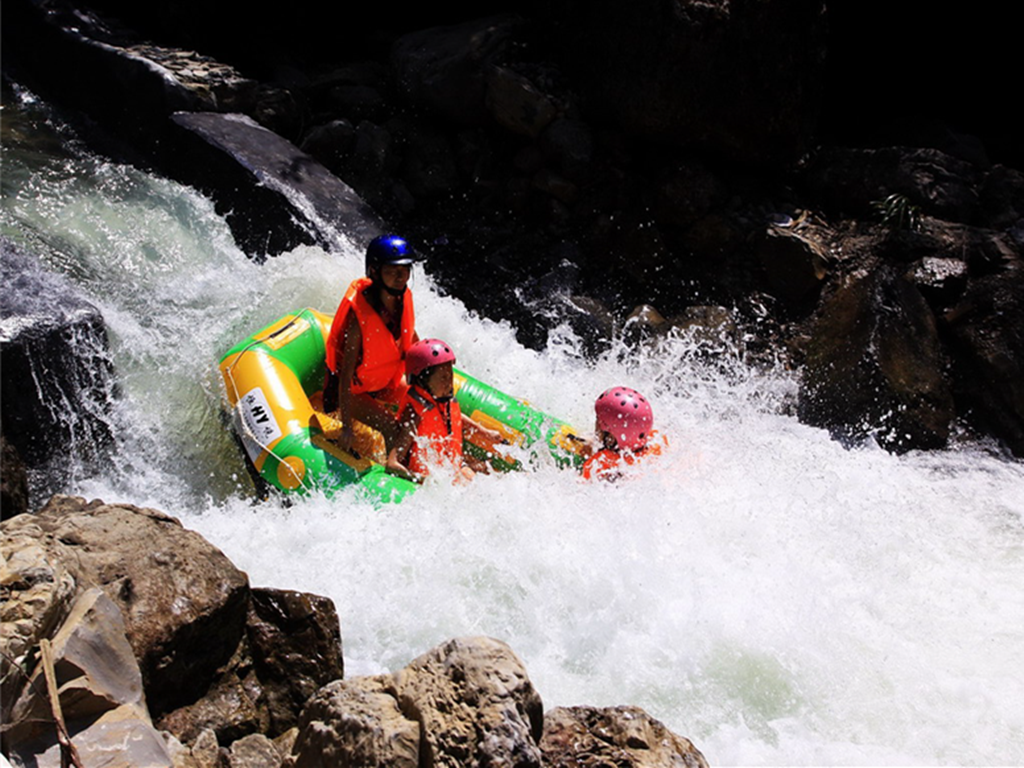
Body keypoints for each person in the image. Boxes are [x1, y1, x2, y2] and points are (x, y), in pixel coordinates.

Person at [324, 234, 418, 453]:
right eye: (392, 271)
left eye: (404, 270)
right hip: (355, 391)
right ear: (375, 271)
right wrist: (346, 427)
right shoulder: (359, 315)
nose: (400, 277)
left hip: (384, 382)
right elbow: (346, 374)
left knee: (421, 405)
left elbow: (410, 335)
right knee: (391, 427)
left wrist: (428, 363)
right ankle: (396, 476)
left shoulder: (401, 299)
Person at [386, 339, 492, 483]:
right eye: (443, 378)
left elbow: (454, 417)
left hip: (450, 470)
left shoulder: (445, 402)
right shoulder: (414, 413)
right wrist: (427, 482)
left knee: (485, 471)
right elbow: (392, 464)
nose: (449, 382)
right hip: (430, 479)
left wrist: (483, 431)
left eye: (450, 375)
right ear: (423, 381)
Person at [580, 386, 664, 481]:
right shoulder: (656, 443)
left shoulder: (599, 464)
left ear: (610, 434)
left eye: (598, 420)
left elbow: (582, 481)